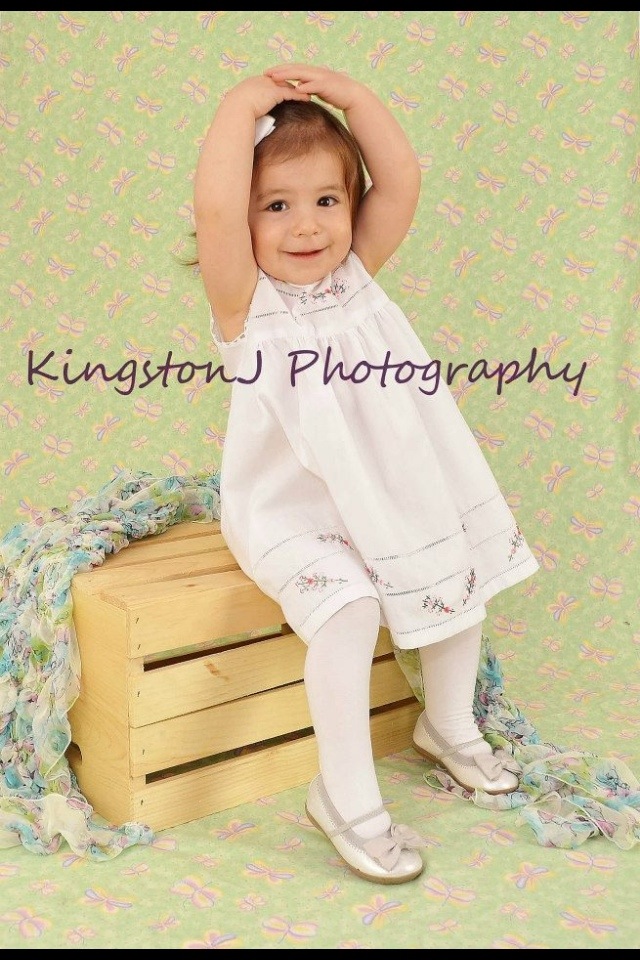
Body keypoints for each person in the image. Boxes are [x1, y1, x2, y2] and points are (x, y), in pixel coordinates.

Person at [193, 64, 539, 884]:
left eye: (327, 200)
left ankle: (448, 725)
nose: (307, 225)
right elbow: (214, 206)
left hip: (389, 492)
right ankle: (345, 796)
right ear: (245, 219)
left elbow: (403, 175)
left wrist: (351, 98)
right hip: (292, 515)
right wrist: (239, 105)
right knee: (348, 612)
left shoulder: (357, 275)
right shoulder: (248, 305)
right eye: (276, 206)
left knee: (455, 569)